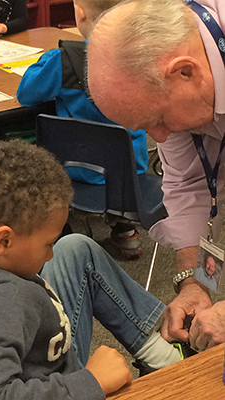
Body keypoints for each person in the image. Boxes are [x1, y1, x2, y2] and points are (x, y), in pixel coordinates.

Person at [0, 139, 184, 400]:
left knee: (76, 249)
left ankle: (160, 357)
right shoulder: (4, 303)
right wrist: (91, 382)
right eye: (47, 244)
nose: (50, 255)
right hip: (61, 386)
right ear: (3, 240)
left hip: (44, 361)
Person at [87, 0, 225, 352]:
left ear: (185, 71)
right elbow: (189, 184)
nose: (159, 138)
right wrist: (195, 283)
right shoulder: (187, 65)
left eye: (157, 120)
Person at [17, 0, 149, 259]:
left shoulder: (62, 60)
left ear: (79, 13)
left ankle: (59, 228)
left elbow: (26, 93)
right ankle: (125, 230)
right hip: (130, 174)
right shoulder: (141, 56)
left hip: (75, 171)